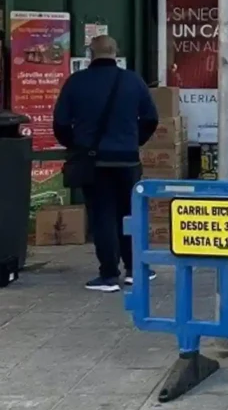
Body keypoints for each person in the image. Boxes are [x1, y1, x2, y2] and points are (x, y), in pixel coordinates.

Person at [53, 35, 159, 292]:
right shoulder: (133, 81)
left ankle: (109, 275)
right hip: (127, 160)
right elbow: (151, 119)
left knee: (102, 216)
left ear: (90, 53)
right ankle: (135, 269)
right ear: (116, 52)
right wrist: (134, 141)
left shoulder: (76, 82)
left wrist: (77, 146)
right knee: (129, 214)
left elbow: (60, 124)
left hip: (94, 162)